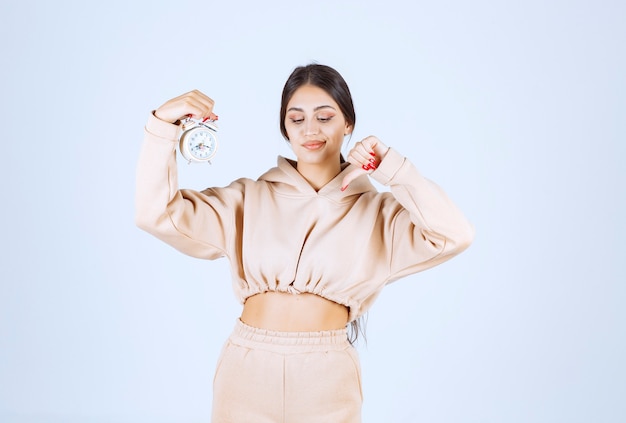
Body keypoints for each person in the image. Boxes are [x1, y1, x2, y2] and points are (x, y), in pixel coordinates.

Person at [135, 63, 474, 422]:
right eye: (296, 119)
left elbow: (454, 234)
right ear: (285, 128)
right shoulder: (247, 198)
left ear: (348, 124)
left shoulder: (379, 213)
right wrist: (162, 126)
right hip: (247, 368)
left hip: (326, 377)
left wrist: (394, 169)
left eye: (325, 117)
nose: (310, 129)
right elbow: (156, 214)